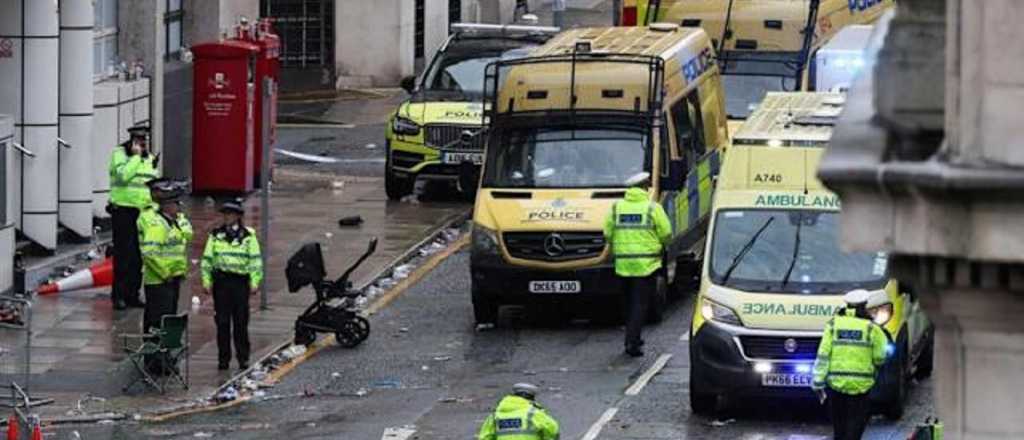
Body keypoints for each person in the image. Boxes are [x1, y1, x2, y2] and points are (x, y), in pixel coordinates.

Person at [602, 172, 672, 357]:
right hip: (646, 264)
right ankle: (632, 342)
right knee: (640, 304)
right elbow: (666, 232)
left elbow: (607, 233)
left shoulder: (617, 208)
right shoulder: (652, 208)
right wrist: (659, 244)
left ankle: (632, 337)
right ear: (645, 188)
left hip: (623, 264)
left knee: (628, 303)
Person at [812, 289, 890, 440]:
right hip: (862, 387)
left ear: (847, 305)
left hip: (837, 386)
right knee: (855, 429)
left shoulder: (834, 325)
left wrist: (818, 382)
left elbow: (823, 355)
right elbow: (880, 357)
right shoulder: (872, 328)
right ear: (865, 305)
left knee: (839, 430)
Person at [137, 179, 192, 374]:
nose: (180, 207)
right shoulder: (157, 225)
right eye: (177, 204)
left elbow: (188, 235)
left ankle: (164, 357)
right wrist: (165, 273)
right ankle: (154, 361)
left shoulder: (172, 223)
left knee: (167, 320)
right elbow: (150, 253)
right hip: (160, 281)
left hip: (172, 279)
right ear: (168, 205)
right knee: (157, 322)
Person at [201, 198, 262, 370]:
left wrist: (255, 281)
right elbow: (207, 260)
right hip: (221, 283)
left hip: (240, 283)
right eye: (225, 214)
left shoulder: (248, 236)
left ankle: (243, 357)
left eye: (230, 214)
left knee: (241, 322)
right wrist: (206, 281)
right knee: (222, 322)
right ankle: (223, 359)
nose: (227, 217)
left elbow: (255, 260)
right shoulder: (216, 235)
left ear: (238, 216)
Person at [108, 125, 160, 310]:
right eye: (138, 140)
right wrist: (136, 157)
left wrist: (154, 210)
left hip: (143, 213)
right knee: (123, 256)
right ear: (131, 140)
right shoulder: (120, 153)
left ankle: (133, 294)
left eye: (144, 140)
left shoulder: (150, 158)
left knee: (138, 257)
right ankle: (119, 295)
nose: (142, 144)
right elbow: (122, 177)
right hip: (123, 211)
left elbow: (151, 188)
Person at [478, 383, 560, 440]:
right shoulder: (533, 413)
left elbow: (484, 437)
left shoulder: (496, 415)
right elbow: (553, 430)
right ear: (531, 398)